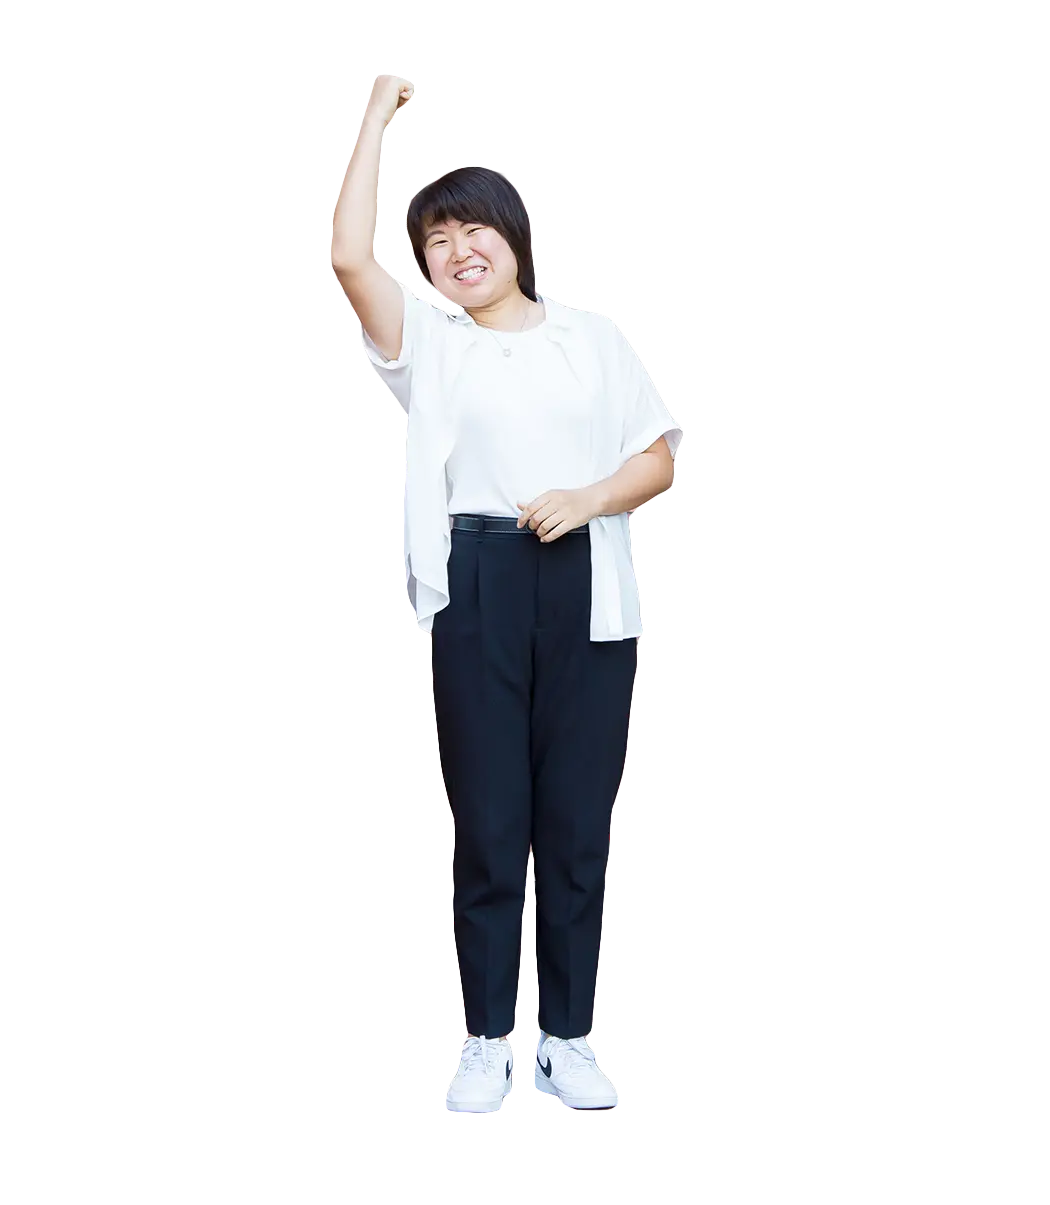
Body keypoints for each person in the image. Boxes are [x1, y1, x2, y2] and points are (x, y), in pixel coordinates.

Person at [331, 77, 683, 1113]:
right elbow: (349, 256)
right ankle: (486, 1040)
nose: (457, 251)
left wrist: (588, 497)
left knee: (576, 824)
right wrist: (373, 117)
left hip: (586, 584)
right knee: (488, 822)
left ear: (514, 234)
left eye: (472, 229)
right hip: (476, 580)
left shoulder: (594, 337)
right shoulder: (431, 343)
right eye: (436, 242)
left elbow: (659, 458)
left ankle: (566, 1039)